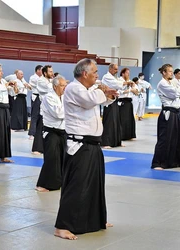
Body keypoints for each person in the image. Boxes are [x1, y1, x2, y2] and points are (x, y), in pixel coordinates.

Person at [54, 58, 117, 240]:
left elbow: (99, 102)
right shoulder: (74, 88)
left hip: (93, 144)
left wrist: (109, 95)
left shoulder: (88, 90)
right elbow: (90, 101)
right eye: (95, 72)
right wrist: (102, 90)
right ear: (85, 74)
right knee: (77, 186)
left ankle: (95, 220)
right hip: (79, 145)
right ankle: (62, 226)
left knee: (95, 185)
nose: (97, 75)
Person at [151, 64, 180, 170]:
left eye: (172, 71)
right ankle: (158, 163)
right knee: (164, 138)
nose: (171, 73)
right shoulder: (162, 84)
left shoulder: (172, 82)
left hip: (175, 113)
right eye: (169, 71)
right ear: (164, 73)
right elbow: (175, 93)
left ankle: (175, 161)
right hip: (168, 113)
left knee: (175, 138)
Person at [36, 75, 67, 192]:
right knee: (51, 158)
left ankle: (61, 182)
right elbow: (58, 114)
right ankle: (43, 184)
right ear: (55, 87)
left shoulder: (64, 97)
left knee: (64, 158)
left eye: (65, 85)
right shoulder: (48, 97)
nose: (65, 88)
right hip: (51, 131)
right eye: (62, 85)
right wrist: (69, 108)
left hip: (63, 131)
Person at [101, 63, 127, 148]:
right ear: (110, 69)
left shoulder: (114, 77)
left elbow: (120, 88)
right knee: (109, 122)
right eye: (115, 69)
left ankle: (117, 141)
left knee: (116, 122)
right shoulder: (106, 77)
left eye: (117, 69)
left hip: (115, 100)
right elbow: (117, 85)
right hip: (108, 101)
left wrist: (124, 83)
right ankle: (106, 142)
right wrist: (126, 82)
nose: (117, 71)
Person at [31, 65, 54, 155]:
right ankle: (36, 148)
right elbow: (51, 88)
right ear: (45, 73)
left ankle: (46, 146)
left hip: (51, 108)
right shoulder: (41, 81)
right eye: (50, 72)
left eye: (52, 71)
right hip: (44, 108)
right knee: (40, 127)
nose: (52, 73)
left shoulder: (51, 81)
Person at [118, 68, 137, 140]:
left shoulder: (130, 81)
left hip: (129, 101)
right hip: (123, 101)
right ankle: (122, 135)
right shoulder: (120, 81)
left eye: (129, 73)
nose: (128, 75)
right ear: (123, 74)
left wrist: (134, 87)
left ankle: (129, 135)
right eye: (127, 73)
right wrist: (130, 89)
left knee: (130, 119)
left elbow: (136, 92)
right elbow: (120, 92)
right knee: (123, 119)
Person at [28, 65, 43, 140]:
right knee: (34, 115)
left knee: (41, 115)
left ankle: (39, 132)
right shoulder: (33, 77)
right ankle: (32, 133)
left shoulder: (42, 78)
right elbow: (39, 85)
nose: (43, 72)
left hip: (42, 97)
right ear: (37, 70)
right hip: (36, 97)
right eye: (41, 70)